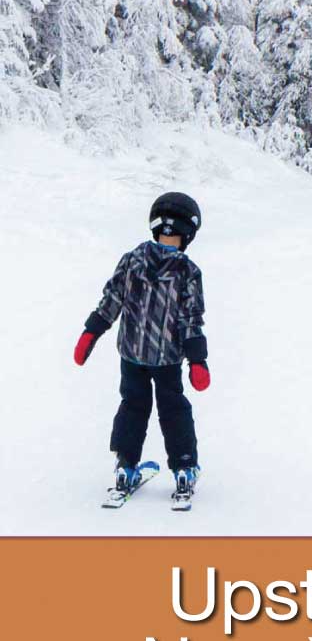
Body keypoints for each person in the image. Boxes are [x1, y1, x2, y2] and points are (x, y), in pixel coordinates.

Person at [73, 192, 210, 498]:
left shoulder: (132, 259)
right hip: (167, 359)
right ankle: (184, 468)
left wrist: (91, 332)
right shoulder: (188, 272)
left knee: (132, 407)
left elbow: (111, 302)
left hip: (132, 355)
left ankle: (125, 465)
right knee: (173, 410)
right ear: (189, 235)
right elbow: (191, 320)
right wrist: (197, 361)